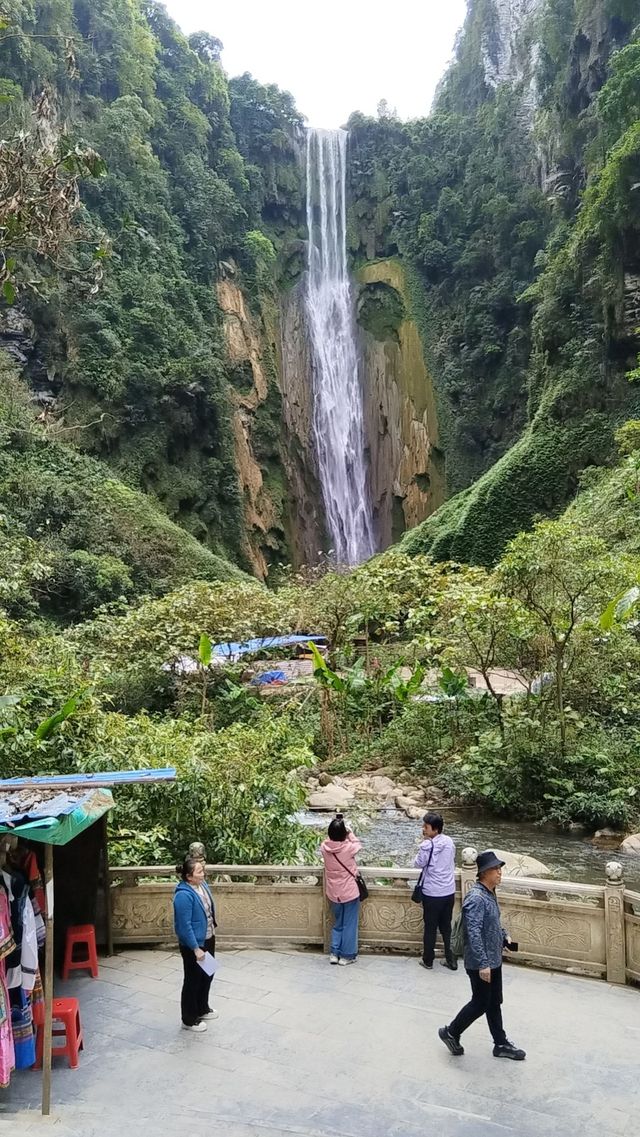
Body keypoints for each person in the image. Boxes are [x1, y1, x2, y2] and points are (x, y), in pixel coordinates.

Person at [438, 850, 525, 1061]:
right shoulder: (476, 897)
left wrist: (504, 937)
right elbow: (473, 932)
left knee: (494, 1002)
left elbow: (492, 923)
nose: (499, 873)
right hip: (481, 963)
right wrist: (483, 964)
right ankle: (451, 1032)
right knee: (480, 1003)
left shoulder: (490, 892)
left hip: (493, 959)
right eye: (496, 869)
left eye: (499, 869)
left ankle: (501, 1043)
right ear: (485, 872)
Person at [173, 855, 219, 1033]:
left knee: (208, 973)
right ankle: (189, 1018)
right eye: (199, 871)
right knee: (193, 979)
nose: (203, 873)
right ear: (189, 877)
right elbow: (184, 926)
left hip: (208, 937)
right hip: (195, 944)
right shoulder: (183, 896)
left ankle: (202, 1007)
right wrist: (195, 949)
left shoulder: (202, 886)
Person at [414, 811, 456, 971]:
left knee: (430, 927)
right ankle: (450, 960)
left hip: (432, 893)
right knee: (446, 927)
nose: (423, 829)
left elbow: (418, 863)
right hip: (448, 891)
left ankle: (428, 960)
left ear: (435, 829)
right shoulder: (449, 842)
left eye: (426, 827)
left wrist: (424, 844)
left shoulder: (427, 845)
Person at [320, 814, 362, 966]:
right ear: (343, 834)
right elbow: (358, 844)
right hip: (349, 892)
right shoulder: (348, 848)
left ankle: (334, 953)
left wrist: (336, 826)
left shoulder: (324, 848)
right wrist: (349, 831)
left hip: (333, 892)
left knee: (338, 922)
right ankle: (347, 956)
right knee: (349, 924)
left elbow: (330, 839)